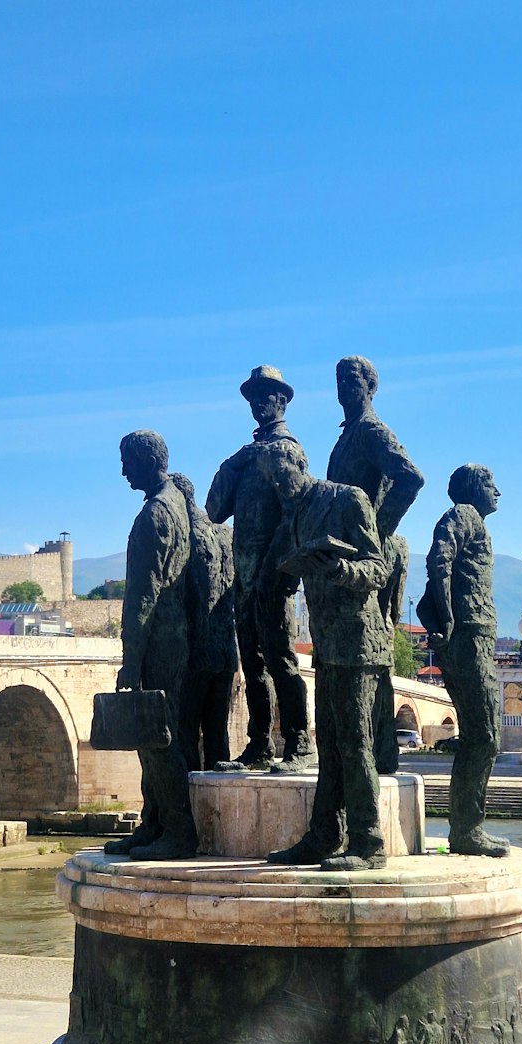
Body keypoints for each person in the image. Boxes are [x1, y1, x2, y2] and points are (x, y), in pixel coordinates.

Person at [256, 442, 391, 870]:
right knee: (329, 745)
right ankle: (325, 836)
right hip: (326, 646)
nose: (280, 485)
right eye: (273, 481)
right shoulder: (295, 516)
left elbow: (377, 568)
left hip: (358, 643)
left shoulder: (348, 499)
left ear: (301, 465)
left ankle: (368, 845)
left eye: (284, 475)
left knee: (355, 744)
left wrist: (340, 570)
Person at [205, 365, 314, 773]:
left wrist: (275, 571)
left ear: (281, 401)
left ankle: (300, 743)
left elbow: (297, 516)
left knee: (281, 660)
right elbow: (215, 511)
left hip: (275, 578)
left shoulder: (287, 451)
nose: (256, 405)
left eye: (263, 397)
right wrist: (233, 463)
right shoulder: (247, 458)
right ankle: (259, 744)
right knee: (252, 663)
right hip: (245, 581)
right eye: (251, 398)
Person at [103, 430, 198, 861]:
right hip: (176, 634)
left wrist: (131, 659)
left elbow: (143, 594)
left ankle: (177, 831)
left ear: (145, 460)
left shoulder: (155, 515)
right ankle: (154, 824)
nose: (122, 469)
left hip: (159, 639)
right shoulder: (177, 504)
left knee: (159, 740)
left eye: (126, 460)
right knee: (157, 735)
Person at [326, 355, 424, 774]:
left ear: (370, 386)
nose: (343, 387)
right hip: (355, 560)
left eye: (351, 379)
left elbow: (410, 478)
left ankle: (378, 756)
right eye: (338, 380)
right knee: (377, 652)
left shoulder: (369, 432)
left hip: (365, 562)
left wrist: (377, 532)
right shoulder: (347, 437)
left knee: (369, 653)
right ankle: (384, 753)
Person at [418, 465, 510, 858]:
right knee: (485, 733)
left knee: (483, 733)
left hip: (474, 637)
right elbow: (438, 560)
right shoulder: (463, 516)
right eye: (492, 484)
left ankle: (468, 828)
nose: (498, 492)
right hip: (468, 636)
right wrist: (450, 617)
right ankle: (467, 830)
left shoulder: (472, 522)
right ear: (473, 488)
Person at [169, 473, 237, 771]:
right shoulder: (227, 535)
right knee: (216, 730)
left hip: (196, 649)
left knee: (185, 729)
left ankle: (191, 801)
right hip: (226, 651)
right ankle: (219, 795)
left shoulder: (185, 537)